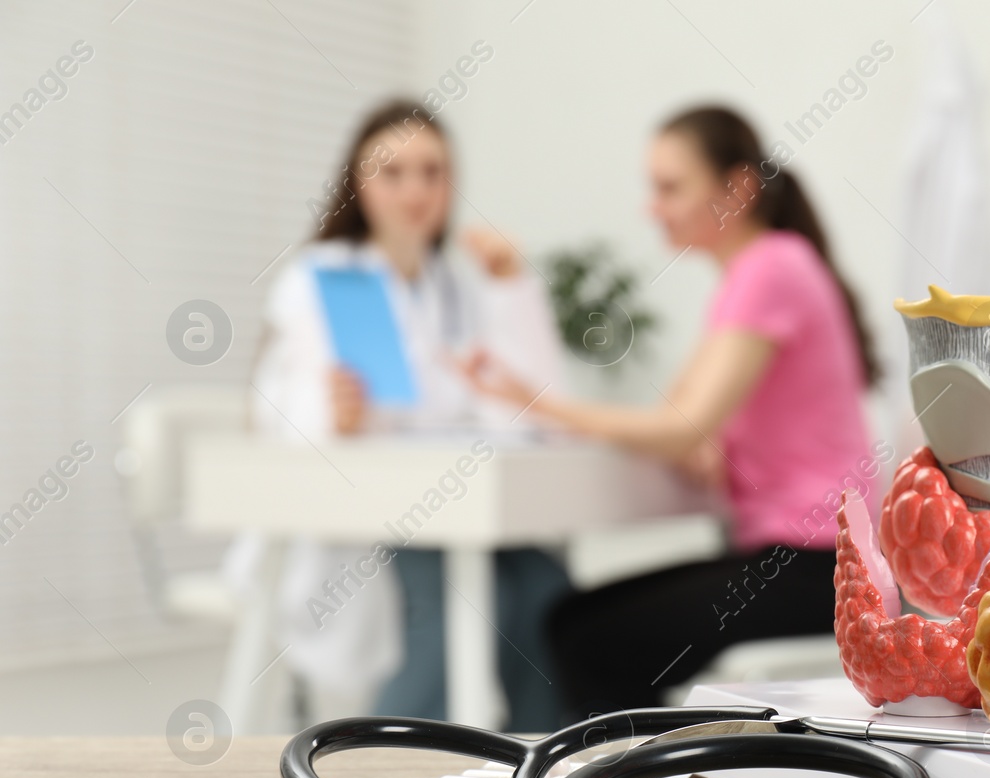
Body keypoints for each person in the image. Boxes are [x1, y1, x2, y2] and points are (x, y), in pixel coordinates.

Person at [460, 105, 882, 716]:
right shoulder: (754, 273)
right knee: (574, 621)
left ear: (736, 189)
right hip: (810, 563)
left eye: (670, 187)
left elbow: (682, 425)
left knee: (587, 638)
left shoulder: (770, 269)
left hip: (820, 571)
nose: (652, 206)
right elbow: (687, 422)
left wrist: (540, 404)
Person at [249, 100, 570, 731]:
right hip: (371, 511)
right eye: (393, 173)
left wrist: (512, 288)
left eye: (433, 172)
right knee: (474, 607)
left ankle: (542, 771)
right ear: (358, 183)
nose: (416, 191)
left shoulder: (457, 285)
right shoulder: (322, 278)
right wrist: (331, 413)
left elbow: (531, 407)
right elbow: (279, 416)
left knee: (545, 592)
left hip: (456, 505)